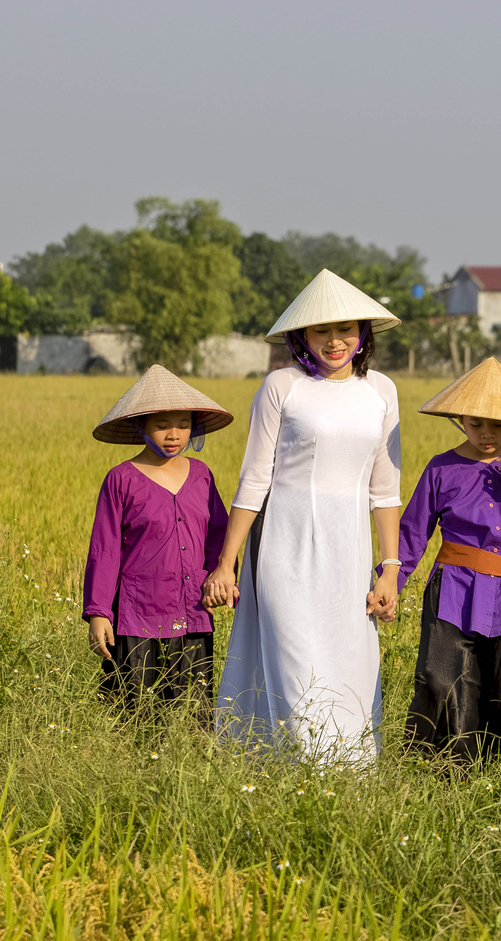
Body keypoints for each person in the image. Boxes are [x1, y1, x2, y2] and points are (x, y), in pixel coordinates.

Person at [206, 270, 403, 764]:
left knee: (348, 662)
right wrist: (227, 563)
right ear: (302, 336)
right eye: (321, 331)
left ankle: (348, 778)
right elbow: (254, 480)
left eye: (346, 330)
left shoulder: (382, 390)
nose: (334, 342)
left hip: (349, 550)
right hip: (285, 545)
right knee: (294, 659)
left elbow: (385, 490)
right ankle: (306, 775)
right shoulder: (281, 386)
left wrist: (391, 569)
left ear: (364, 333)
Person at [396, 358, 501, 761]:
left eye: (497, 425)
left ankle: (498, 775)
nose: (487, 434)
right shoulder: (442, 467)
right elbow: (413, 531)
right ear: (459, 420)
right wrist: (391, 583)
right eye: (476, 424)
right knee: (442, 681)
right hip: (453, 588)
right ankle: (439, 772)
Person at [82, 364, 233, 719]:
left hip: (193, 611)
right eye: (162, 424)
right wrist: (98, 613)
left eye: (182, 423)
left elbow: (218, 535)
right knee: (135, 714)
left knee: (194, 715)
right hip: (136, 616)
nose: (173, 434)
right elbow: (104, 550)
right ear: (141, 426)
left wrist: (219, 579)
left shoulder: (201, 475)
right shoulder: (121, 479)